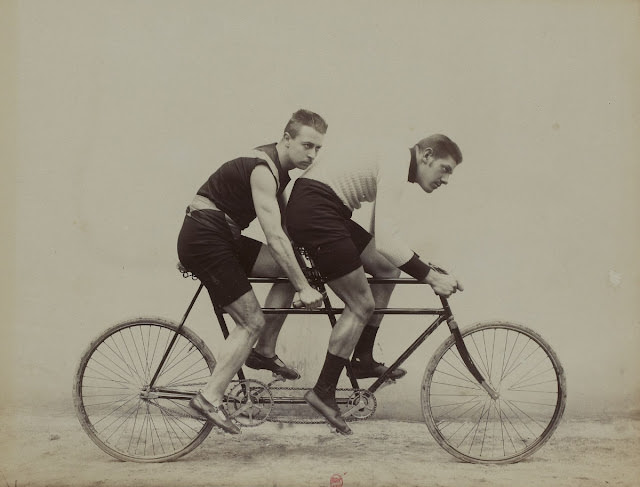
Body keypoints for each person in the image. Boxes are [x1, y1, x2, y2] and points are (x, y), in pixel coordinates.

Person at [285, 134, 465, 434]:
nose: (445, 180)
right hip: (316, 210)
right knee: (360, 304)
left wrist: (416, 263)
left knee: (387, 269)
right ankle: (323, 391)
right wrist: (431, 277)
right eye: (445, 169)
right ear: (427, 155)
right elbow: (387, 240)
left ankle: (363, 358)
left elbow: (381, 244)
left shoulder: (393, 158)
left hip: (323, 208)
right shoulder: (396, 160)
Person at [177, 109, 327, 434]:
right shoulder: (263, 170)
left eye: (318, 149)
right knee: (251, 320)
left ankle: (263, 351)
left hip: (218, 234)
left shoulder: (279, 172)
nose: (312, 154)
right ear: (286, 139)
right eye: (307, 145)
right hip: (207, 235)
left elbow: (288, 235)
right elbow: (274, 236)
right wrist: (304, 288)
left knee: (291, 268)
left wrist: (305, 270)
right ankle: (208, 398)